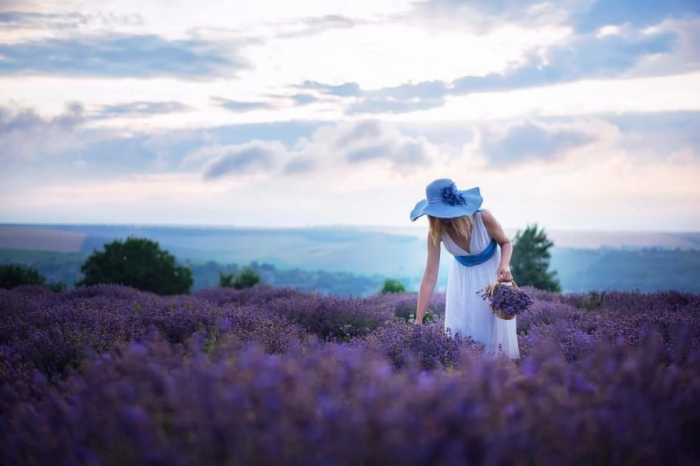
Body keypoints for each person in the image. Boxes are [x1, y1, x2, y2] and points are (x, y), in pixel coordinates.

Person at [410, 178, 520, 360]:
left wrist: (504, 264)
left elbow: (506, 242)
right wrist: (418, 319)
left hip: (492, 280)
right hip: (461, 284)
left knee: (493, 336)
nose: (442, 218)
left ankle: (499, 380)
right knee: (463, 335)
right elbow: (429, 276)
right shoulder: (436, 233)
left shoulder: (482, 218)